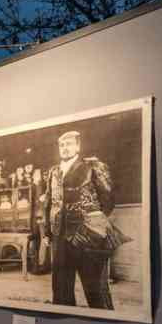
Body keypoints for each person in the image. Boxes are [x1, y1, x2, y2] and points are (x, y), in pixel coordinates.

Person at [43, 130, 119, 309]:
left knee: (95, 288)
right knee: (61, 290)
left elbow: (108, 198)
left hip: (87, 235)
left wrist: (95, 224)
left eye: (69, 144)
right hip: (60, 237)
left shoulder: (92, 166)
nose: (65, 148)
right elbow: (48, 203)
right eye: (61, 145)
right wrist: (48, 231)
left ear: (78, 146)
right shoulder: (53, 172)